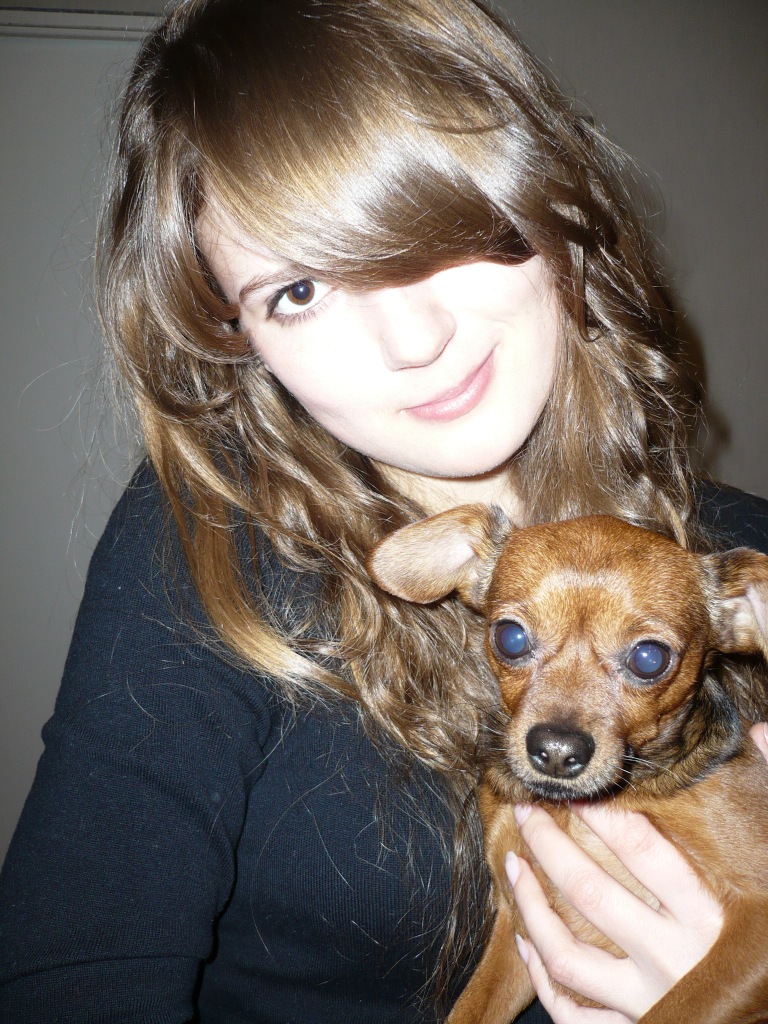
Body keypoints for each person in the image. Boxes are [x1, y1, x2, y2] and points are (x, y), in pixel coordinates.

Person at [1, 1, 767, 1022]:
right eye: (299, 291)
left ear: (555, 206)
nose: (413, 339)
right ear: (235, 338)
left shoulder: (745, 555)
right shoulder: (210, 546)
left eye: (449, 230)